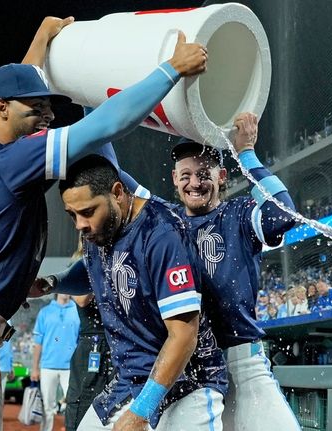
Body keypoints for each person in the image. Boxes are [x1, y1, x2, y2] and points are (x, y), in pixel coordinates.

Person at [0, 16, 209, 430]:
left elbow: (17, 86)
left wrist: (42, 38)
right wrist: (171, 68)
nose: (47, 115)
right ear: (2, 109)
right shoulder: (13, 160)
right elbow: (105, 125)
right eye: (38, 109)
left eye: (49, 106)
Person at [43, 155, 227, 430]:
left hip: (188, 382)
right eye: (72, 214)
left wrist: (140, 411)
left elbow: (184, 335)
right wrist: (52, 283)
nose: (80, 224)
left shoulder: (162, 232)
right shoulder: (101, 228)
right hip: (129, 382)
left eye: (88, 211)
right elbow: (95, 271)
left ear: (117, 193)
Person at [162, 113, 300, 430]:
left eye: (204, 173)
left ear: (222, 175)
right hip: (187, 366)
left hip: (242, 361)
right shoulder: (163, 223)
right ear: (173, 178)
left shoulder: (239, 213)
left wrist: (246, 152)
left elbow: (283, 212)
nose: (194, 182)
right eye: (185, 175)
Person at [63, 291, 112, 431]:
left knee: (114, 400)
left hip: (118, 344)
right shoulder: (84, 271)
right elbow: (82, 299)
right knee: (83, 398)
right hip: (92, 344)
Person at [31, 294, 80, 431]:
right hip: (47, 366)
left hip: (71, 367)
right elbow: (38, 343)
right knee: (47, 406)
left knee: (72, 404)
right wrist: (35, 368)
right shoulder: (45, 312)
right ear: (57, 291)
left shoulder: (77, 310)